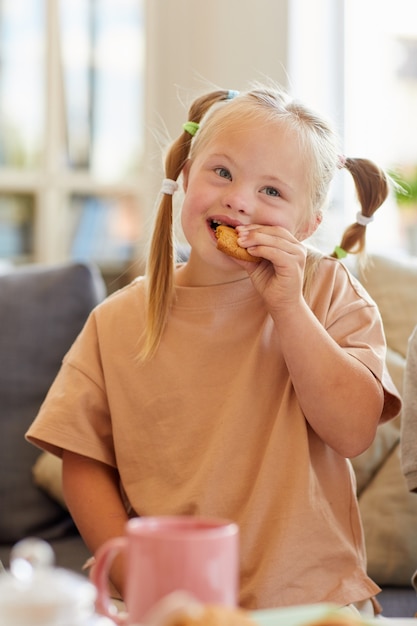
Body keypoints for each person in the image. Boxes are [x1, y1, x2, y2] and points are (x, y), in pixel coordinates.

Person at [26, 84, 401, 614]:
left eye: (272, 192)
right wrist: (136, 572)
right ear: (184, 176)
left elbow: (353, 431)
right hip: (168, 602)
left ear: (309, 223)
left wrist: (288, 309)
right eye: (222, 172)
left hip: (308, 599)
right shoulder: (117, 320)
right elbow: (83, 460)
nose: (240, 199)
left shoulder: (328, 291)